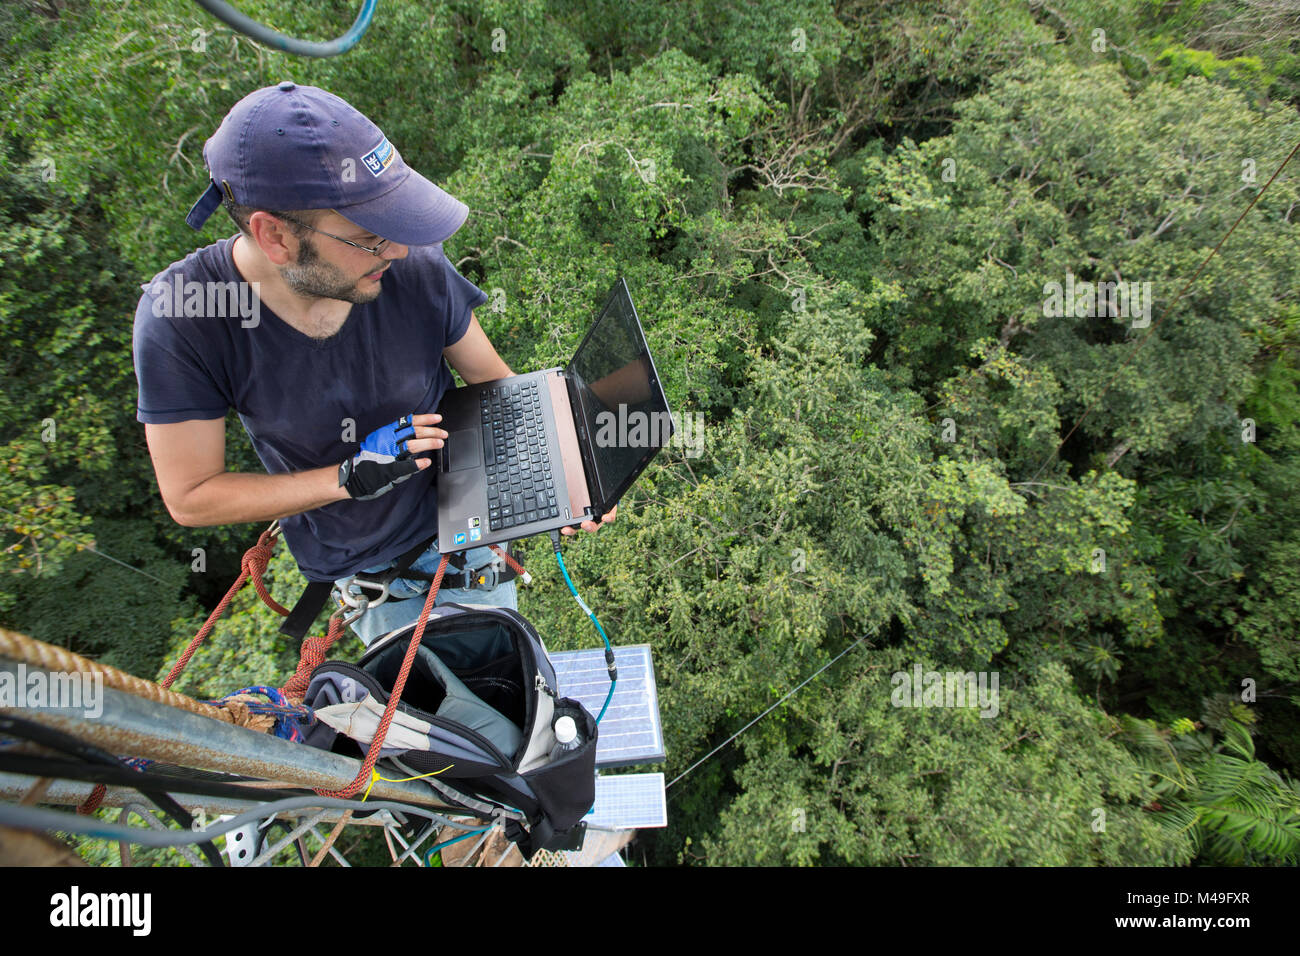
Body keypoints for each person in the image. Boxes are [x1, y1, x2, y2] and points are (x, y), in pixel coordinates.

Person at [132, 83, 615, 644]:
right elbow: (191, 495)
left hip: (473, 526)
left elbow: (493, 381)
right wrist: (347, 478)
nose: (399, 250)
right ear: (275, 236)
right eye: (369, 237)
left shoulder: (407, 268)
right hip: (375, 573)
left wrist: (564, 470)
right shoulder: (187, 318)